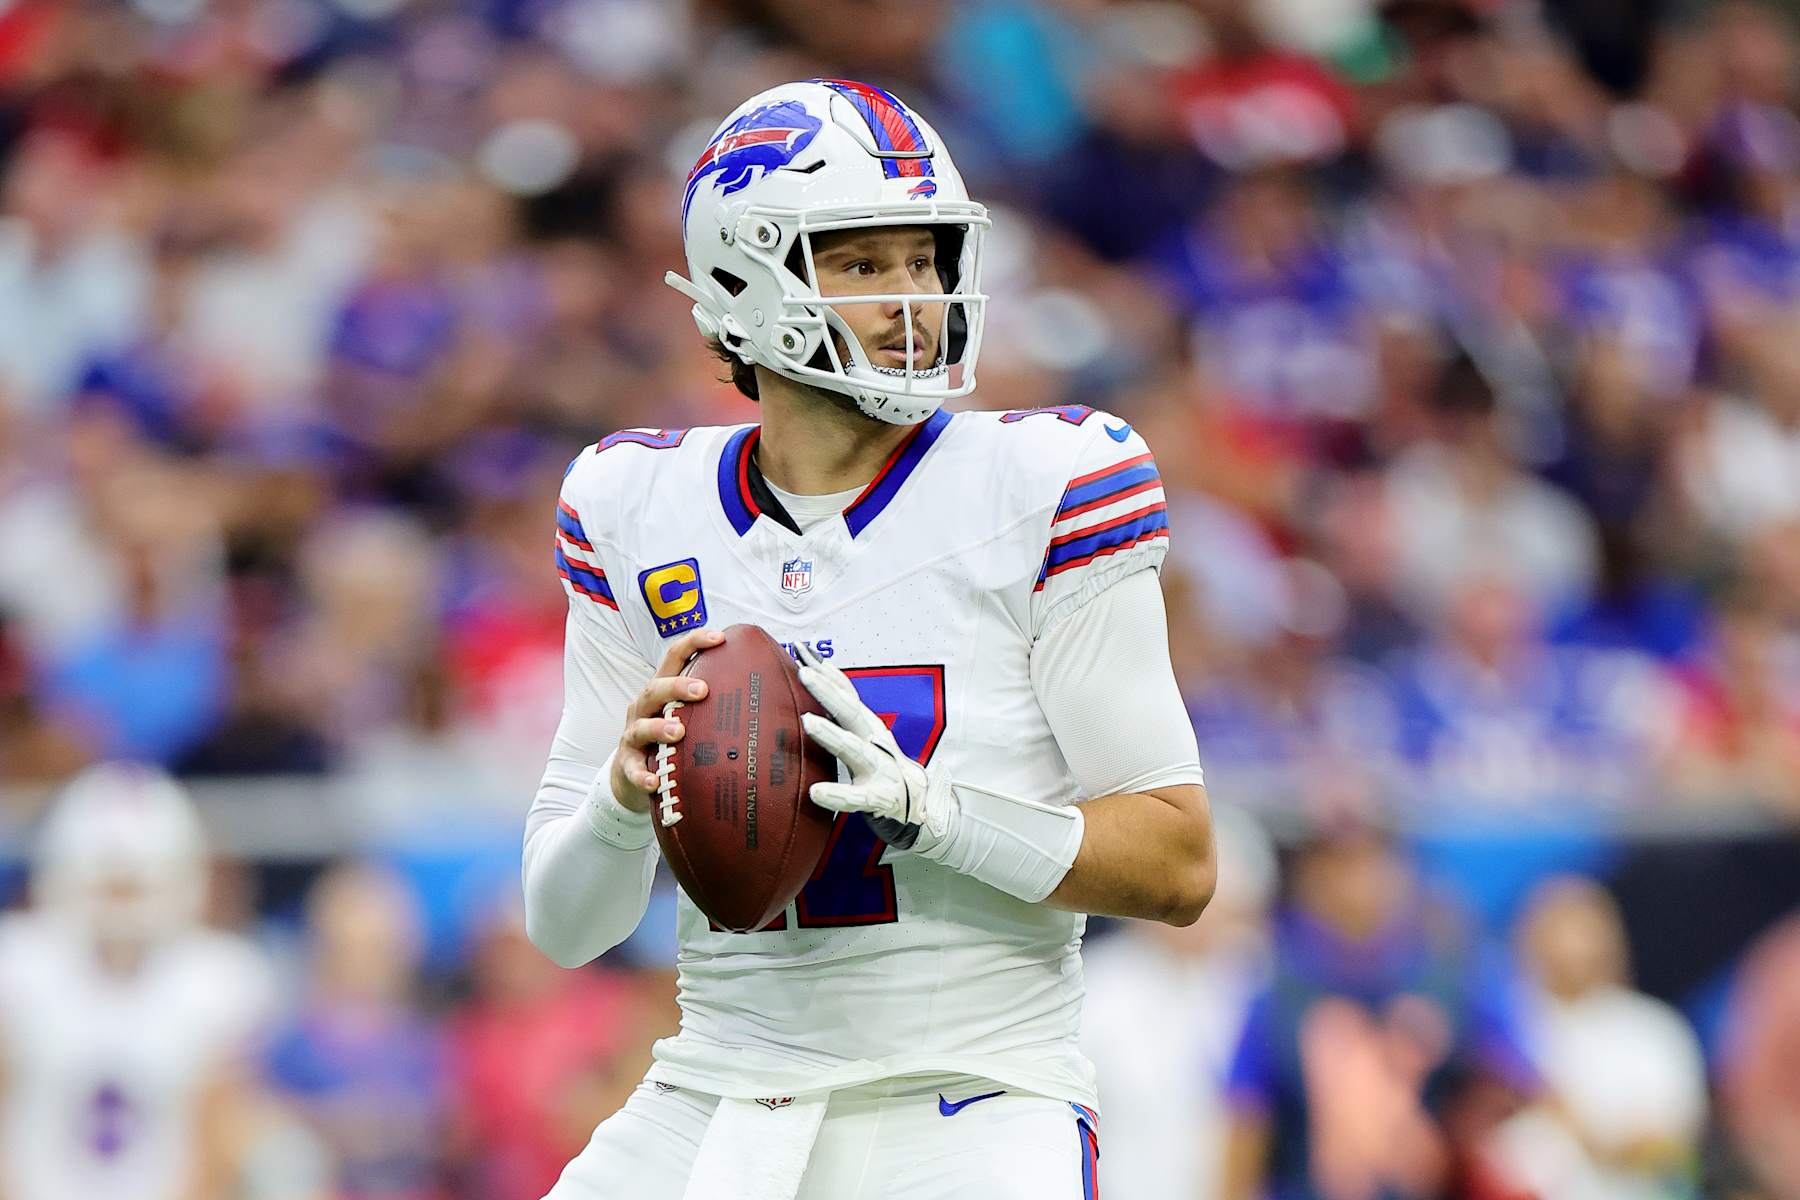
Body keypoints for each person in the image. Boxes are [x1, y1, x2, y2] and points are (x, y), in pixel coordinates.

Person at [521, 79, 1215, 1199]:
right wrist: (615, 801)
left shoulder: (1053, 479)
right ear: (743, 281)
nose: (911, 298)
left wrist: (936, 814)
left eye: (925, 259)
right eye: (860, 263)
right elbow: (565, 930)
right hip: (721, 1085)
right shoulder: (630, 501)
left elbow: (1179, 865)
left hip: (974, 1092)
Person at [0, 763, 285, 1200]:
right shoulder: (20, 964)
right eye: (110, 885)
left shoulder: (221, 980)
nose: (122, 908)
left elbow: (218, 1138)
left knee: (288, 1164)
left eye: (133, 887)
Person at [1491, 876, 1708, 1200]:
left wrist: (1587, 1132)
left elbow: (1672, 1146)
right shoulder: (1500, 1026)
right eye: (1557, 925)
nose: (1572, 943)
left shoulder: (1654, 1032)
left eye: (1584, 926)